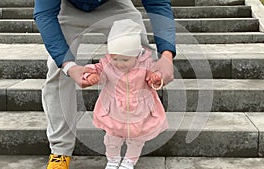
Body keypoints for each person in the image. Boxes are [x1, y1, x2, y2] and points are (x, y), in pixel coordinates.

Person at [33, 0, 176, 168]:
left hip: (114, 4)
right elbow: (44, 13)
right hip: (68, 7)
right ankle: (60, 151)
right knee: (57, 68)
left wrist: (166, 56)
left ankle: (138, 134)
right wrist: (69, 67)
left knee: (141, 57)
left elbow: (157, 3)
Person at [83, 19, 168, 169]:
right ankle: (113, 159)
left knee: (137, 139)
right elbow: (98, 71)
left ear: (136, 55)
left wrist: (155, 78)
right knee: (112, 137)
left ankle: (129, 160)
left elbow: (156, 75)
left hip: (139, 110)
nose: (119, 63)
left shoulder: (146, 64)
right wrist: (92, 76)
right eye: (115, 58)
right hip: (114, 109)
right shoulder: (108, 64)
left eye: (125, 59)